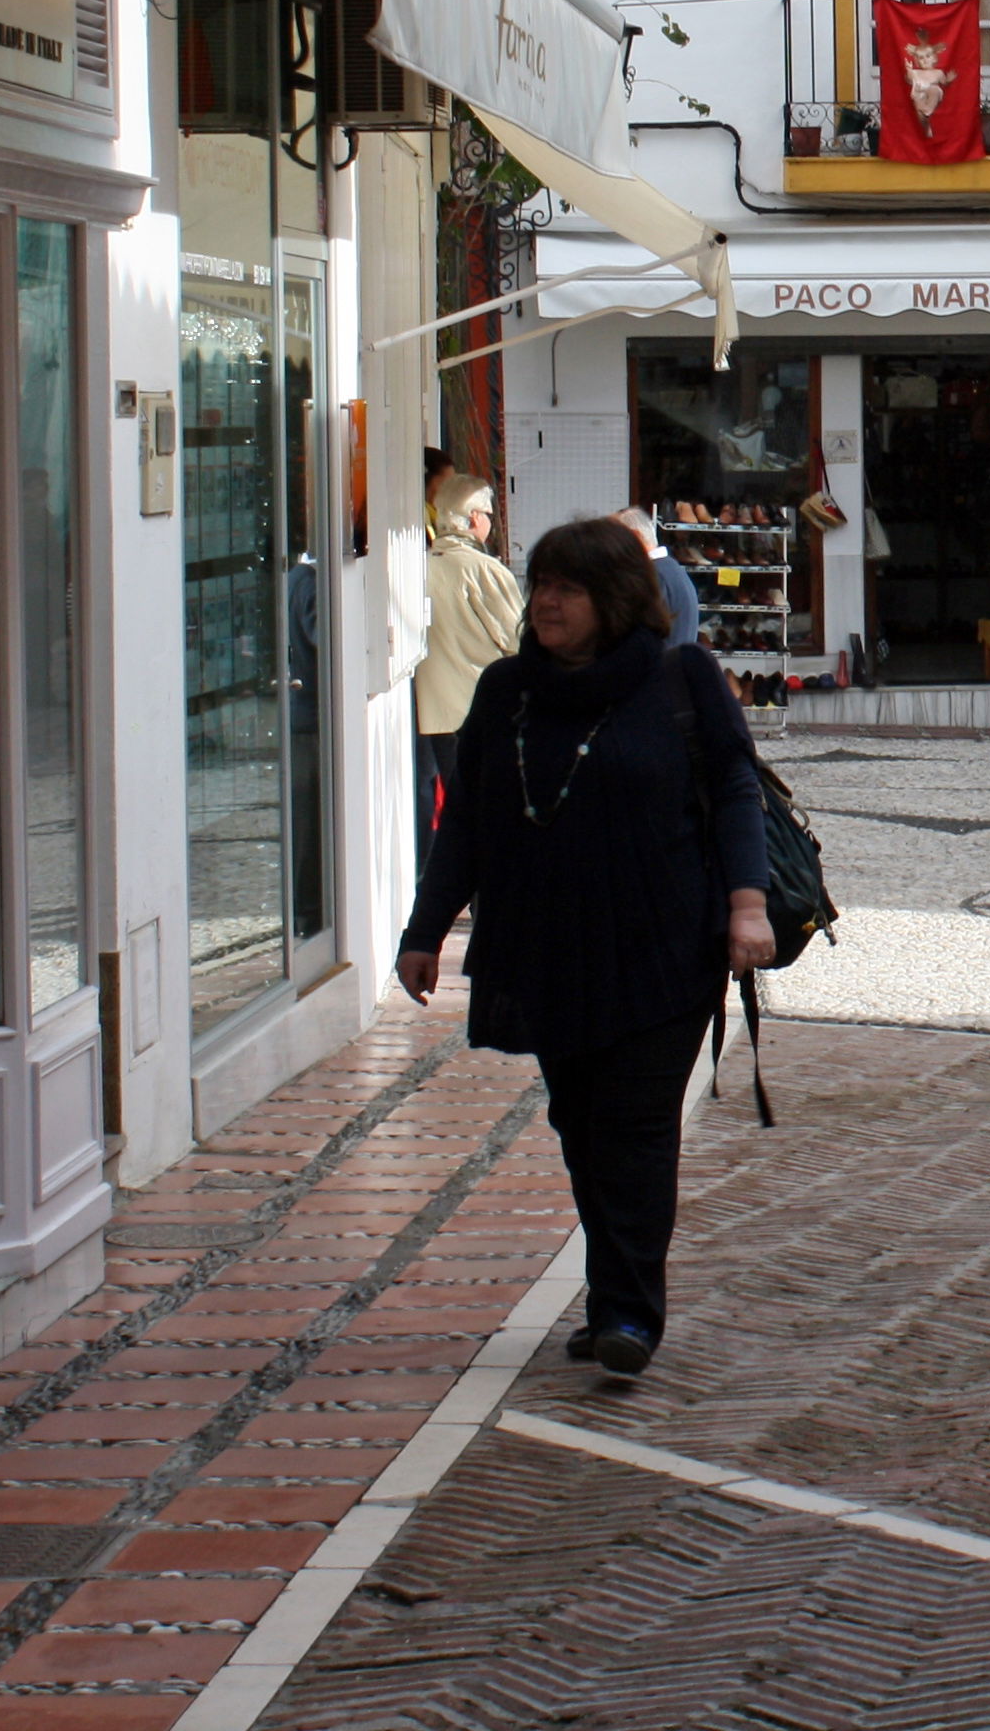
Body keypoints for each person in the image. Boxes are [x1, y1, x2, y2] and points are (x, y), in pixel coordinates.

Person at [395, 518, 770, 1375]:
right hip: (544, 950)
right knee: (580, 1127)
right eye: (542, 586)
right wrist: (425, 932)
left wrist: (746, 905)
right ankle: (610, 1298)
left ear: (616, 599)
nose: (547, 602)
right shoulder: (505, 691)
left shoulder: (680, 679)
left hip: (662, 950)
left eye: (568, 587)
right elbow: (470, 826)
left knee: (634, 1130)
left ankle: (631, 1317)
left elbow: (735, 787)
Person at [416, 473, 523, 860]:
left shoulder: (419, 565)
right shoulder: (483, 569)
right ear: (475, 517)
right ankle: (490, 909)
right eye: (489, 515)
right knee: (496, 816)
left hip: (438, 714)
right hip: (485, 711)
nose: (491, 523)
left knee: (462, 813)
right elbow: (519, 639)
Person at [610, 504, 704, 648]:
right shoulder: (669, 569)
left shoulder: (655, 576)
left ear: (635, 536)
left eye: (614, 540)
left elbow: (644, 640)